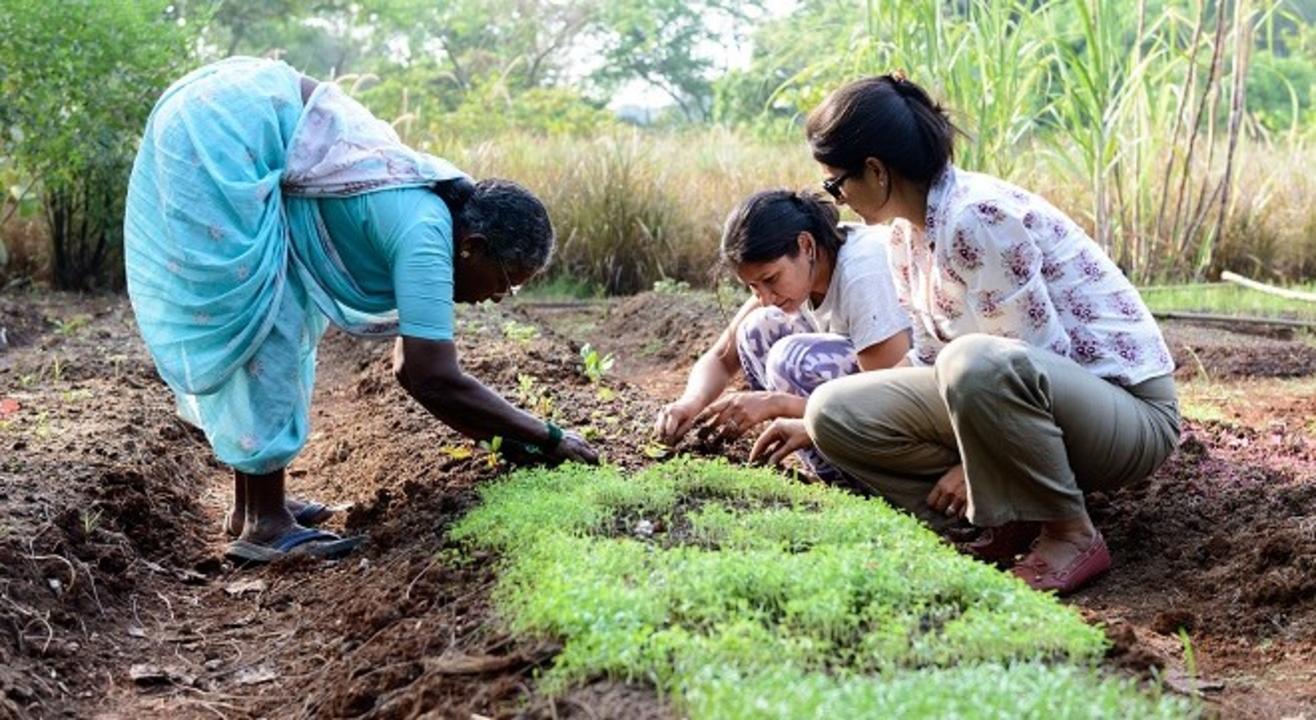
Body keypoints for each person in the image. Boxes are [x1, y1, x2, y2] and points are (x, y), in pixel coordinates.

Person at [124, 57, 597, 564]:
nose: (500, 298)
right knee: (270, 314)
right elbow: (430, 374)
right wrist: (547, 437)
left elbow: (409, 368)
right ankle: (265, 523)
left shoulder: (431, 211)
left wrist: (518, 441)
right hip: (221, 125)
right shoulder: (426, 234)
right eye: (506, 282)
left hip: (231, 110)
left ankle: (255, 506)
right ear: (474, 247)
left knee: (285, 304)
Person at [750, 74, 1180, 595]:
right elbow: (928, 365)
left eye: (836, 184)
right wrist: (814, 426)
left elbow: (1032, 359)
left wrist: (975, 462)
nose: (836, 201)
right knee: (833, 409)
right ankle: (998, 521)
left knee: (975, 360)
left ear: (877, 171)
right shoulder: (905, 238)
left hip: (1125, 412)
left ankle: (1069, 532)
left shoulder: (977, 215)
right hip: (1030, 401)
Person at [654, 190, 911, 481]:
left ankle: (862, 483)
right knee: (755, 330)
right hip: (864, 407)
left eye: (770, 279)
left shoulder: (863, 272)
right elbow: (722, 359)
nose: (765, 297)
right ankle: (832, 473)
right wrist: (690, 403)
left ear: (806, 245)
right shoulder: (800, 275)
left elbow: (891, 401)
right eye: (753, 287)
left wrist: (776, 404)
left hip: (913, 422)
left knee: (790, 359)